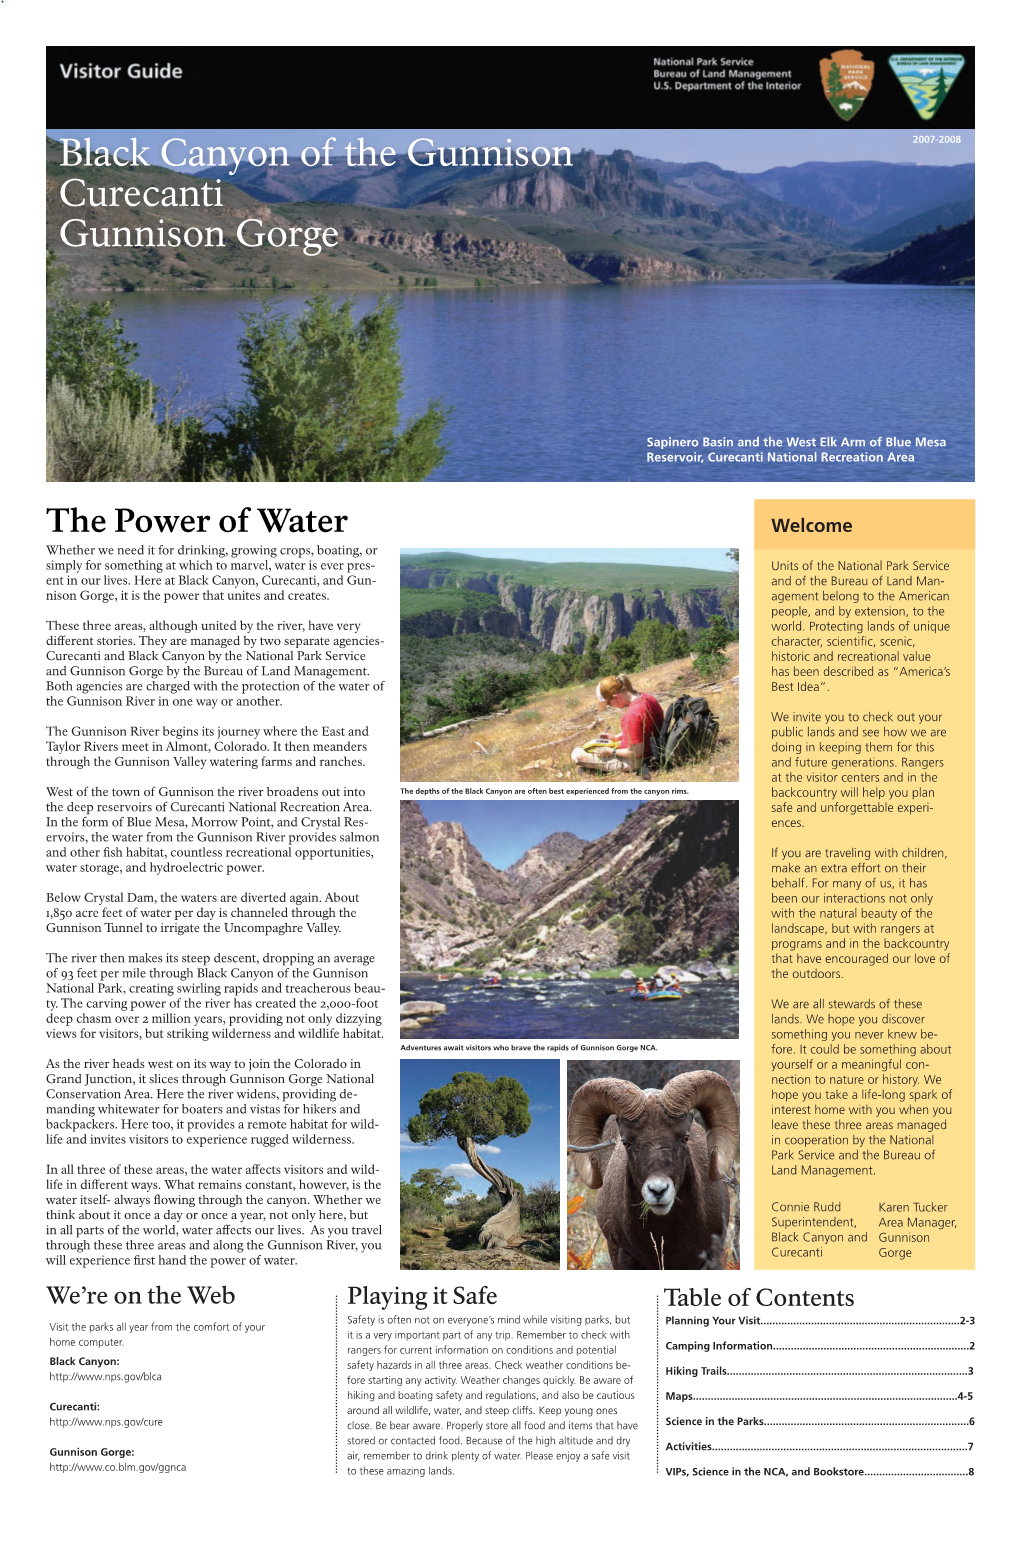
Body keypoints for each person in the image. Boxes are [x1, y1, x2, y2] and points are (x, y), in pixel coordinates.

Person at [571, 674, 664, 772]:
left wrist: (612, 752)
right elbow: (641, 729)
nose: (610, 706)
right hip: (651, 747)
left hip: (636, 759)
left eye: (609, 703)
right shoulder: (647, 697)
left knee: (577, 755)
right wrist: (616, 738)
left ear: (616, 697)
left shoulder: (631, 715)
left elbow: (636, 751)